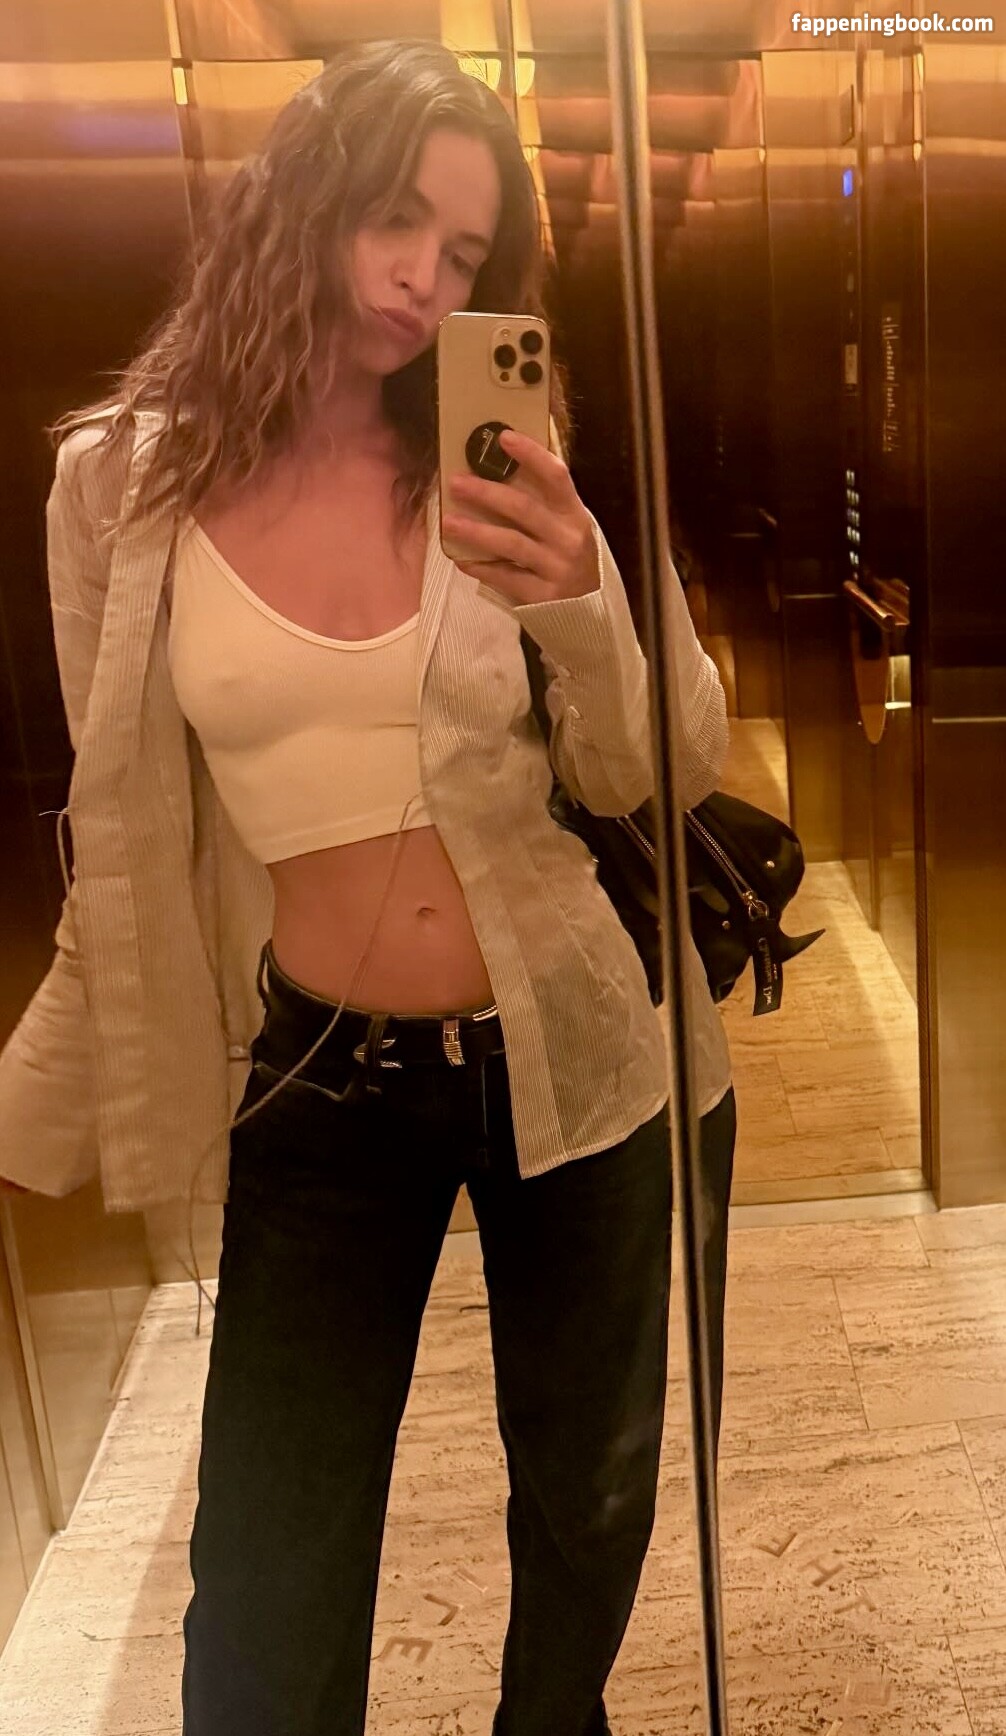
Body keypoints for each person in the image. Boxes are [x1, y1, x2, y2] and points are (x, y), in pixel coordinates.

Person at [0, 38, 736, 1736]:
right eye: (394, 220)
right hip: (323, 1082)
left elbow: (661, 763)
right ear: (304, 202)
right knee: (269, 1562)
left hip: (577, 1058)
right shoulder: (118, 489)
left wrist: (579, 599)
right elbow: (119, 835)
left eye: (465, 253)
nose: (423, 279)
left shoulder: (510, 452)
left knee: (588, 1504)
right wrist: (37, 1103)